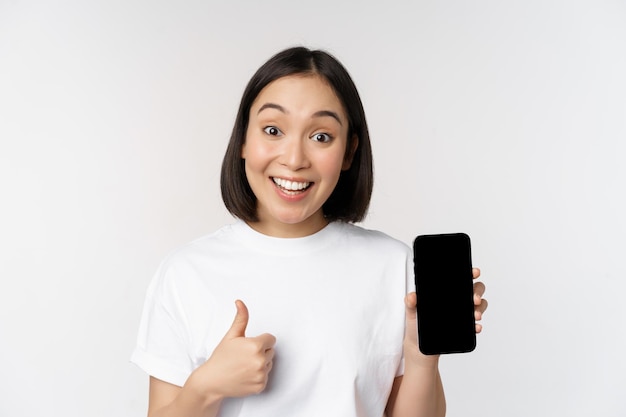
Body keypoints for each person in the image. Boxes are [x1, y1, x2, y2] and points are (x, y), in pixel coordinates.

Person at [131, 46, 488, 417]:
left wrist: (419, 356)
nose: (295, 159)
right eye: (273, 130)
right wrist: (207, 386)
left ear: (349, 153)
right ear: (242, 140)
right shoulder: (186, 272)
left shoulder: (394, 266)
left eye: (321, 137)